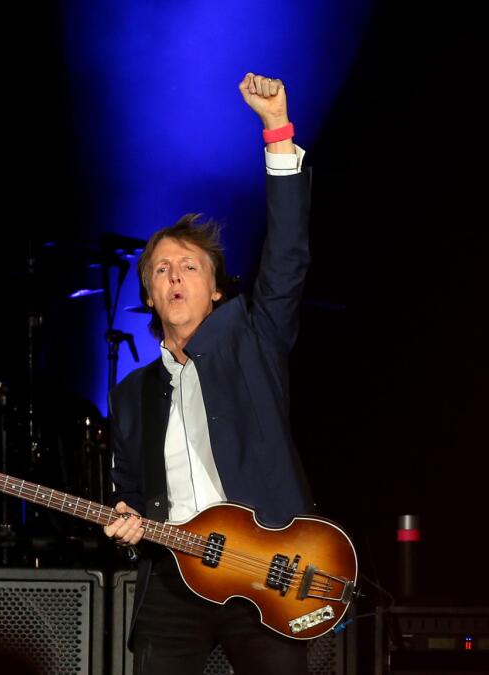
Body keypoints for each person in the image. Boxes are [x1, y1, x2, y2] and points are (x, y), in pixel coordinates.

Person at [102, 72, 315, 674]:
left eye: (189, 267)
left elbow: (289, 255)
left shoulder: (254, 339)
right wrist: (126, 519)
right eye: (161, 269)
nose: (173, 276)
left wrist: (277, 130)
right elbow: (130, 488)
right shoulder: (131, 395)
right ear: (148, 294)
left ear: (216, 291)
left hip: (264, 572)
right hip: (173, 580)